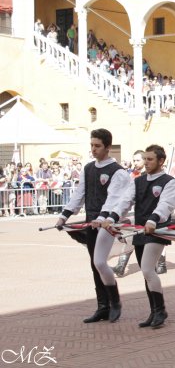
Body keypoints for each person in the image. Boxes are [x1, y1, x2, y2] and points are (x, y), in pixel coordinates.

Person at [55, 129, 130, 323]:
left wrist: (102, 216)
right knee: (94, 264)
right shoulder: (88, 168)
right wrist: (64, 216)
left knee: (99, 262)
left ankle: (115, 302)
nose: (93, 149)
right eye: (92, 145)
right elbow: (79, 195)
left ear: (108, 147)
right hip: (91, 223)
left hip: (108, 223)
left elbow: (113, 198)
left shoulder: (118, 172)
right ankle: (102, 306)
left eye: (97, 146)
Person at [104, 145, 175, 328]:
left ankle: (160, 310)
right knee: (147, 274)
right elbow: (125, 201)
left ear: (161, 161)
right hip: (139, 230)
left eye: (150, 159)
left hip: (157, 230)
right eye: (145, 159)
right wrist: (112, 217)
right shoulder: (138, 181)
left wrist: (153, 220)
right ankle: (154, 311)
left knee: (146, 269)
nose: (146, 162)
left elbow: (166, 204)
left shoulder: (169, 181)